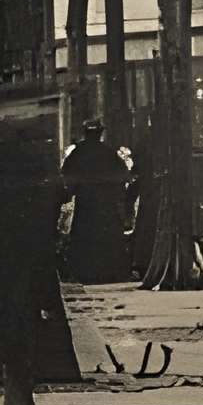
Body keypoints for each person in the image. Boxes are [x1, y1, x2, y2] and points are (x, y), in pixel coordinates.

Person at [0, 99, 68, 405]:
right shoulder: (33, 176)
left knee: (14, 350)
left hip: (4, 269)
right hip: (25, 269)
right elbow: (55, 199)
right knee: (21, 350)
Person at [59, 119, 133, 284]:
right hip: (106, 205)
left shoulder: (78, 153)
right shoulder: (108, 152)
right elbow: (123, 175)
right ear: (100, 134)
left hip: (86, 203)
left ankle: (86, 273)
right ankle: (110, 273)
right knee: (107, 238)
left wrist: (70, 193)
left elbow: (67, 175)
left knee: (86, 237)